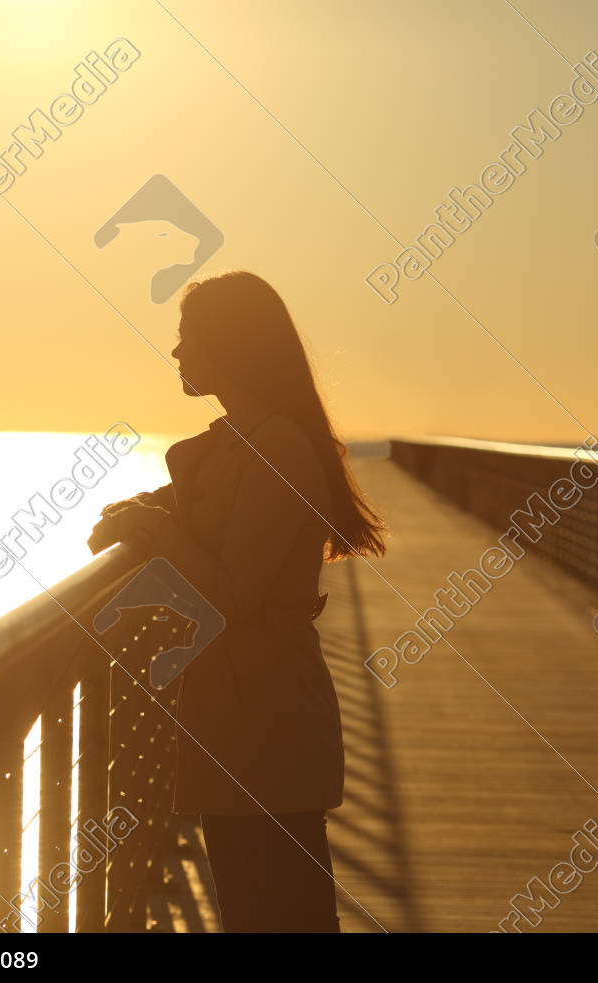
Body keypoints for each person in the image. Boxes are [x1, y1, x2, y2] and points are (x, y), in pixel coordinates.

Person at [88, 270, 386, 932]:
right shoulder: (237, 444)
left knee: (281, 914)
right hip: (238, 719)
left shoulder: (277, 446)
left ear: (230, 343)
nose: (176, 352)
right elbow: (187, 527)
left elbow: (226, 593)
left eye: (187, 335)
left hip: (269, 721)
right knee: (259, 909)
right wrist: (139, 516)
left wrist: (154, 529)